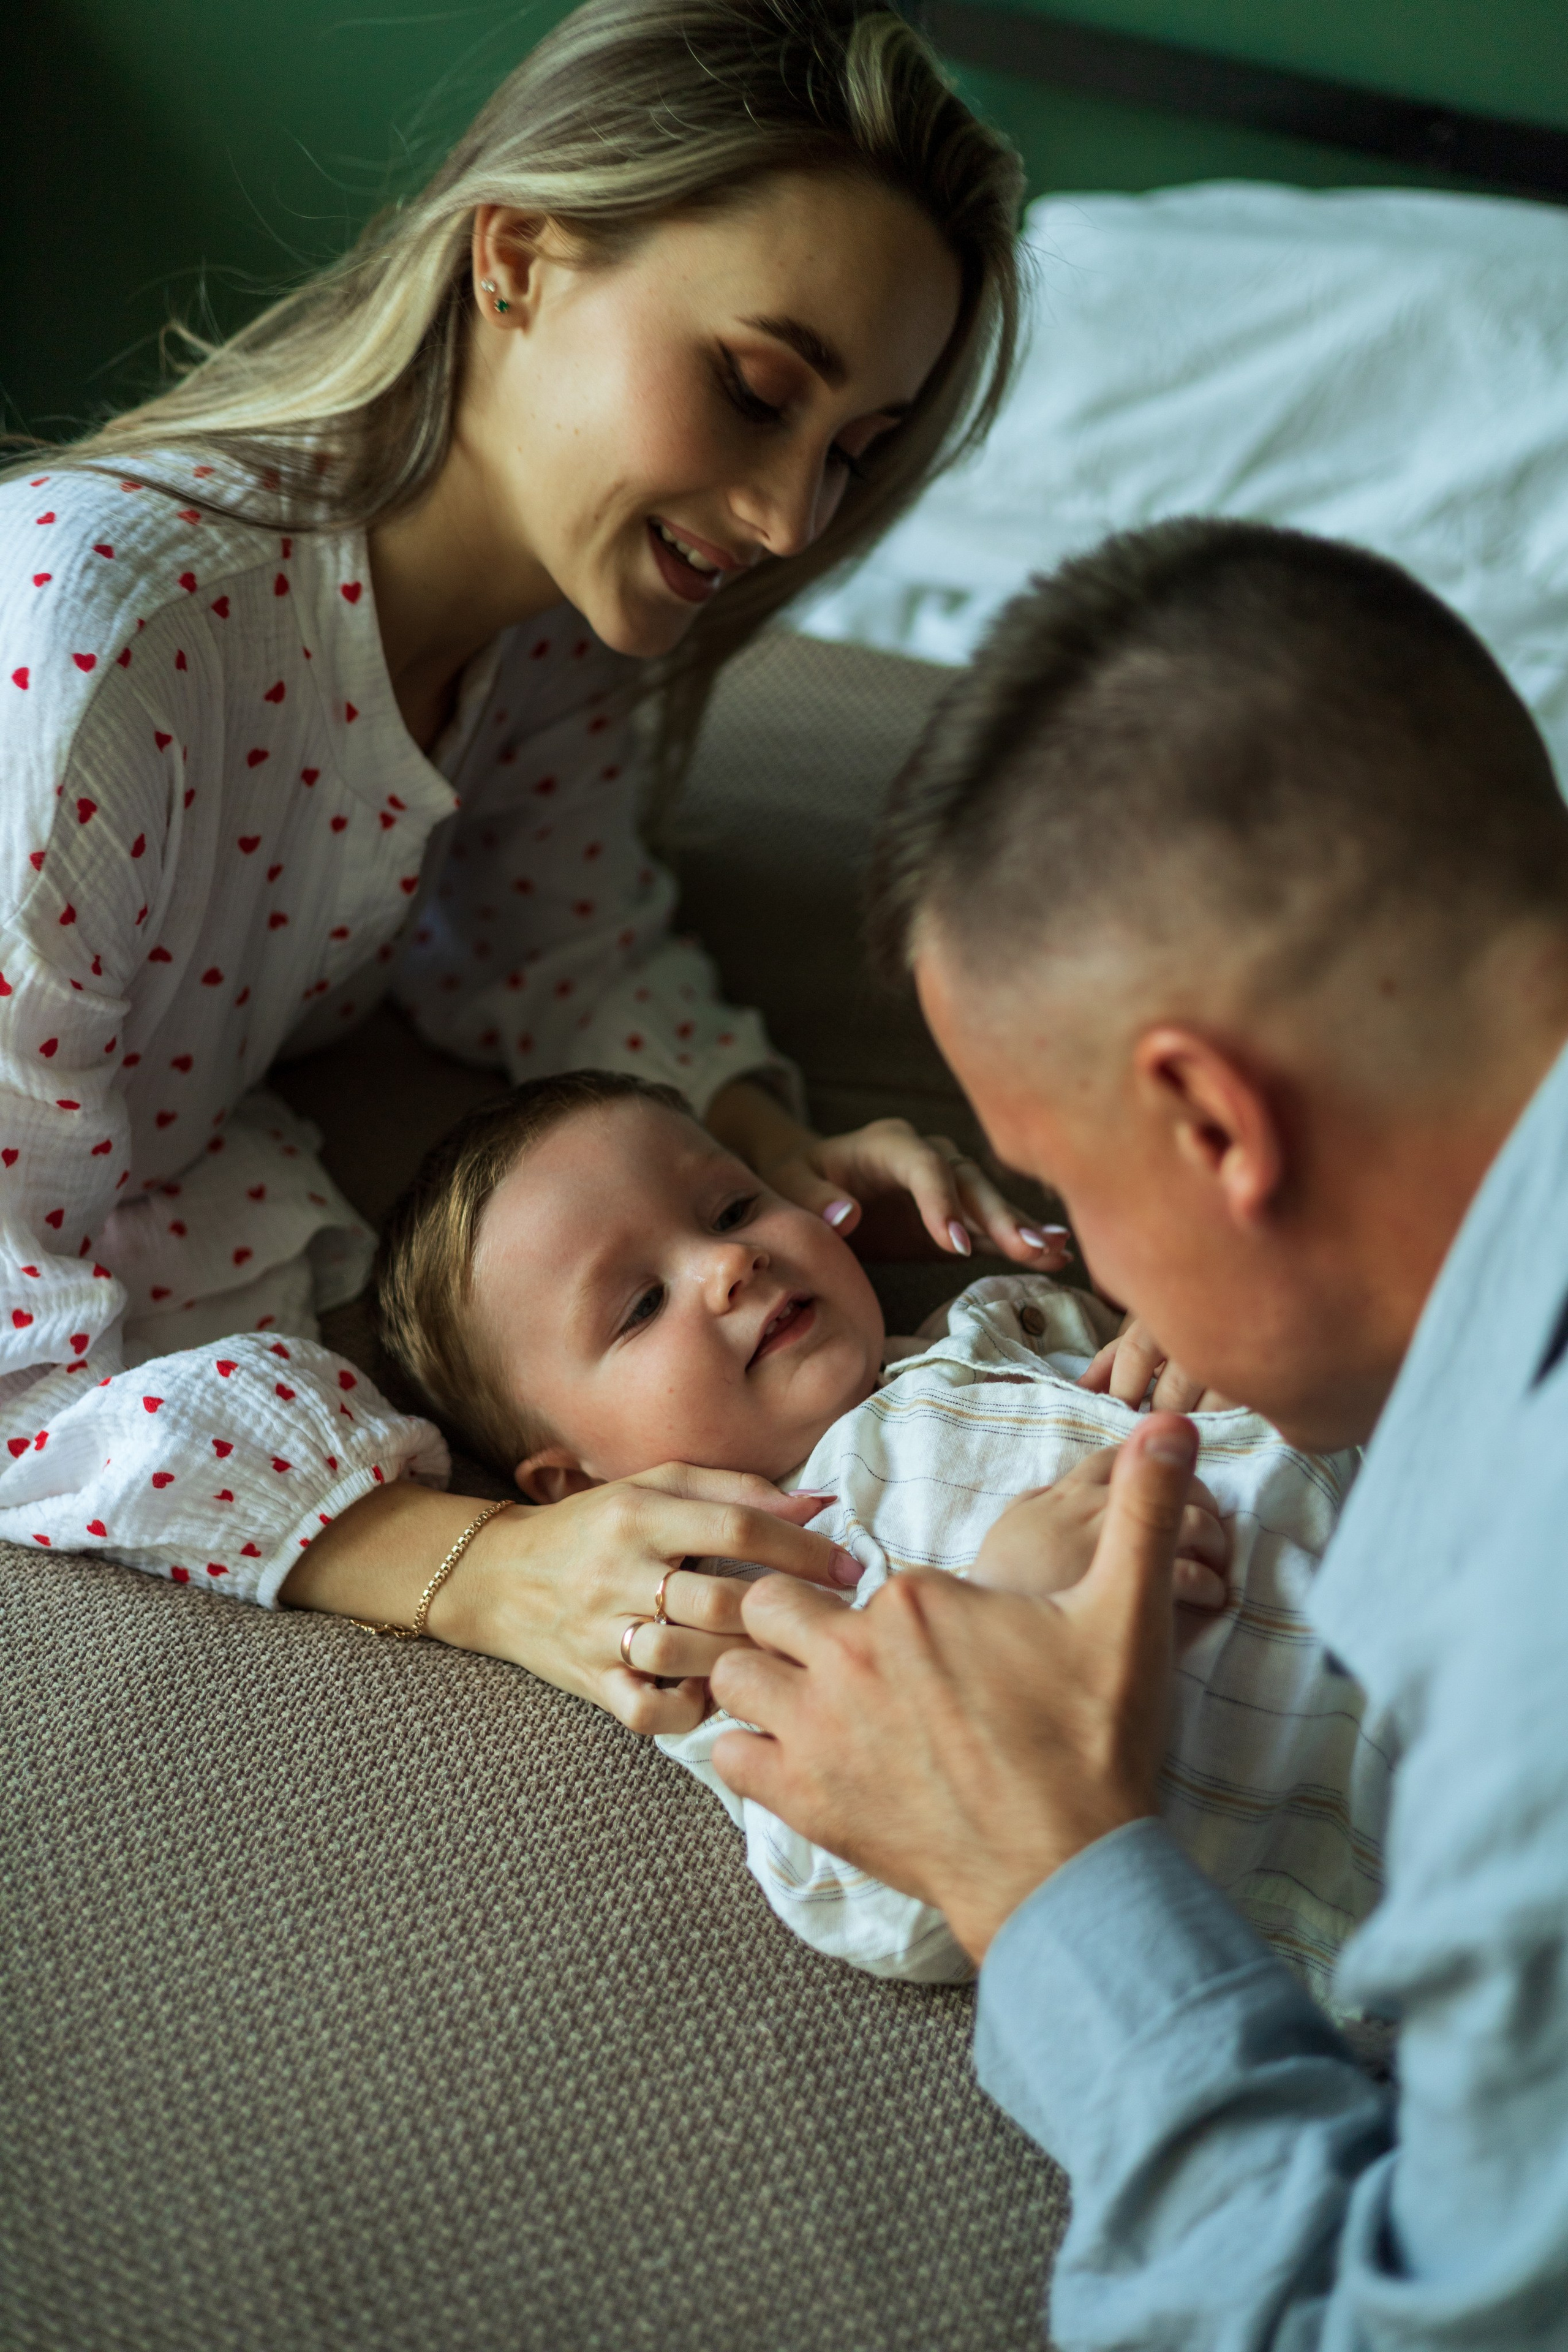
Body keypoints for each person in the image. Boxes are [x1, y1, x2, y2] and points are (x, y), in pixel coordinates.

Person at [0, 0, 1054, 1731]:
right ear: (516, 261)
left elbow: (561, 940)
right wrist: (471, 1566)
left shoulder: (562, 622)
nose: (793, 522)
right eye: (754, 388)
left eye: (851, 452)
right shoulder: (101, 651)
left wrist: (765, 1151)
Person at [707, 518, 1568, 2346]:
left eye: (1073, 1187)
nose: (1098, 1268)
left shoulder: (1532, 1667)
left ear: (1212, 1124)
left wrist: (1049, 1879)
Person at [371, 1065, 1386, 2000]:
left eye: (732, 1207)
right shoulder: (732, 1605)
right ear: (574, 1484)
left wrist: (1217, 1338)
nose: (729, 1261)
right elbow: (859, 1894)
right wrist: (1001, 1614)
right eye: (640, 1304)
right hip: (1385, 1856)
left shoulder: (1003, 1327)